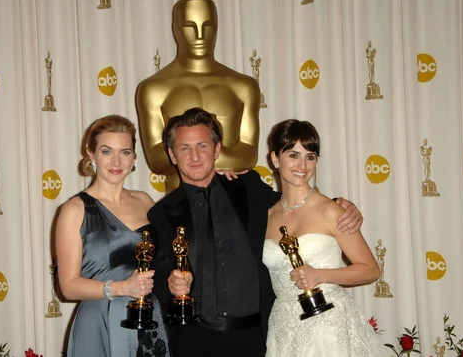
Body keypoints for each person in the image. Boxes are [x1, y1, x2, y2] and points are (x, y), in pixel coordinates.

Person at [148, 108, 363, 357]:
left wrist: (340, 206)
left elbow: (293, 208)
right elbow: (159, 276)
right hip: (193, 338)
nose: (195, 156)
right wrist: (171, 285)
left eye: (203, 146)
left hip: (253, 337)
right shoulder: (161, 213)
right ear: (172, 155)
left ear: (217, 150)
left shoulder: (248, 187)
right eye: (184, 148)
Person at [262, 119, 386, 356]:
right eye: (293, 154)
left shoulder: (331, 210)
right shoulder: (266, 216)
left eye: (310, 156)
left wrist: (320, 275)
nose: (302, 164)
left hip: (329, 325)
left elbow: (371, 270)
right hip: (284, 327)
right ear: (275, 159)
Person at [56, 115, 169, 357]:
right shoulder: (74, 210)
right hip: (100, 322)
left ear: (134, 157)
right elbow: (68, 286)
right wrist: (122, 288)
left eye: (125, 152)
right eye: (107, 152)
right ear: (91, 153)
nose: (116, 161)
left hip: (147, 319)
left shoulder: (145, 201)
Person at [136, 0, 261, 193]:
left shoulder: (243, 86)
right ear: (176, 29)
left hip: (233, 203)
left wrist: (188, 155)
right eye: (189, 26)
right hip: (180, 204)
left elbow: (248, 155)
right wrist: (215, 157)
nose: (200, 35)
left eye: (208, 26)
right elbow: (157, 160)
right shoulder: (153, 88)